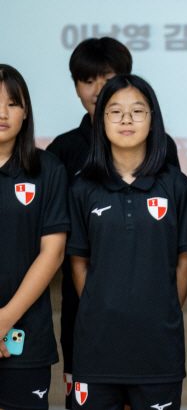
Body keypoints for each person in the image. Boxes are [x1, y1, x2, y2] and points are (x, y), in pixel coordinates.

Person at [46, 37, 180, 409]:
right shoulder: (62, 150)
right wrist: (95, 302)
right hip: (86, 315)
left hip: (151, 317)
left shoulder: (162, 146)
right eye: (87, 80)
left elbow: (173, 234)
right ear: (76, 86)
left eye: (108, 77)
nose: (98, 89)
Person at [67, 74, 187, 410]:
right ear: (101, 121)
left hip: (158, 347)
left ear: (153, 120)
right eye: (115, 111)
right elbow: (79, 261)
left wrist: (164, 307)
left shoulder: (177, 186)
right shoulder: (83, 188)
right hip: (96, 349)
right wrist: (100, 308)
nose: (126, 120)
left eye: (137, 111)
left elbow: (185, 260)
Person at [0, 65, 70, 410]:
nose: (2, 113)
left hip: (26, 334)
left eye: (12, 103)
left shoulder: (49, 169)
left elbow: (52, 253)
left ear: (25, 111)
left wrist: (4, 319)